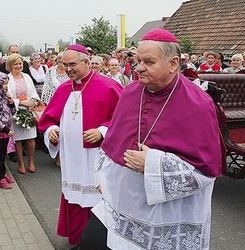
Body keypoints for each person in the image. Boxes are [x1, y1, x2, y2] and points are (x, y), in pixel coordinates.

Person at [80, 28, 222, 250]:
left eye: (149, 61)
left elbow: (205, 171)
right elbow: (112, 144)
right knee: (91, 241)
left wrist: (153, 163)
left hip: (166, 211)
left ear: (173, 63)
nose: (139, 68)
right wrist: (104, 177)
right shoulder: (130, 92)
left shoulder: (198, 103)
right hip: (122, 198)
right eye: (137, 61)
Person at [38, 44, 122, 247]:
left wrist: (102, 130)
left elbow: (123, 119)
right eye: (64, 65)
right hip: (71, 157)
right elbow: (48, 119)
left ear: (86, 62)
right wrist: (52, 132)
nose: (68, 69)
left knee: (97, 197)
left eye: (72, 64)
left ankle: (99, 242)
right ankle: (77, 240)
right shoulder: (64, 88)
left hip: (97, 156)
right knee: (75, 196)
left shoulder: (108, 86)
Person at [6, 53, 39, 174]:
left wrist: (32, 102)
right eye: (15, 64)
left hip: (29, 111)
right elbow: (7, 96)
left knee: (30, 138)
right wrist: (20, 102)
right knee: (18, 139)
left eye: (20, 63)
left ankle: (31, 160)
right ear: (10, 65)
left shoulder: (27, 76)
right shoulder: (7, 78)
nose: (18, 66)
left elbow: (34, 93)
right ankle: (20, 162)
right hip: (16, 111)